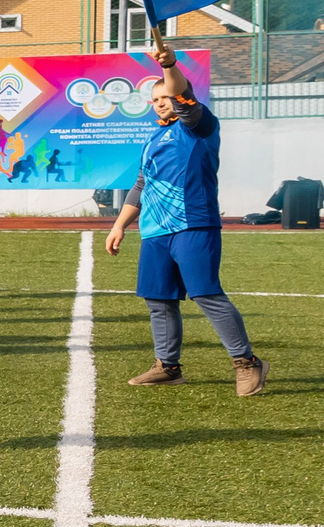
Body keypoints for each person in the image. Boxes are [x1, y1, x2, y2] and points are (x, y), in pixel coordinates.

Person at [106, 37, 269, 395]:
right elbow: (140, 186)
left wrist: (168, 67)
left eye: (163, 97)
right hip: (155, 232)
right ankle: (168, 366)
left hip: (194, 224)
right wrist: (119, 225)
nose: (158, 103)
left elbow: (182, 95)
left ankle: (247, 363)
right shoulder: (152, 139)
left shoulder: (198, 125)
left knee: (206, 293)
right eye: (153, 100)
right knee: (159, 299)